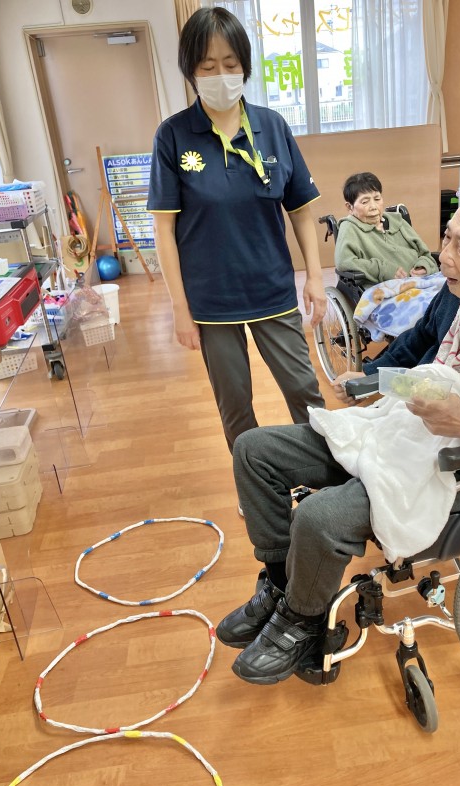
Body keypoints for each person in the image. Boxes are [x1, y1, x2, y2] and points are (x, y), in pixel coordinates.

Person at [216, 185, 460, 685]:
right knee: (253, 451)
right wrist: (371, 375)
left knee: (320, 518)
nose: (444, 255)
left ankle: (302, 620)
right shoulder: (457, 288)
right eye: (447, 238)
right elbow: (420, 340)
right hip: (404, 424)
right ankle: (282, 587)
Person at [147, 7, 326, 453]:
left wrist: (315, 278)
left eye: (231, 64)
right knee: (235, 407)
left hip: (272, 288)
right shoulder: (173, 136)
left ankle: (327, 473)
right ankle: (258, 482)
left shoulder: (272, 126)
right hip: (211, 302)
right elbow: (164, 231)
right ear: (191, 70)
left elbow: (301, 211)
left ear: (245, 65)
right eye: (208, 66)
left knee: (305, 393)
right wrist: (179, 309)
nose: (221, 76)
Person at [334, 172, 439, 287]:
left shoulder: (397, 221)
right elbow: (344, 262)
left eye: (377, 199)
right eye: (365, 202)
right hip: (386, 288)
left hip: (421, 282)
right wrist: (384, 270)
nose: (373, 207)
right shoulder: (349, 227)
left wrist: (424, 266)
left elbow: (425, 254)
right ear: (350, 207)